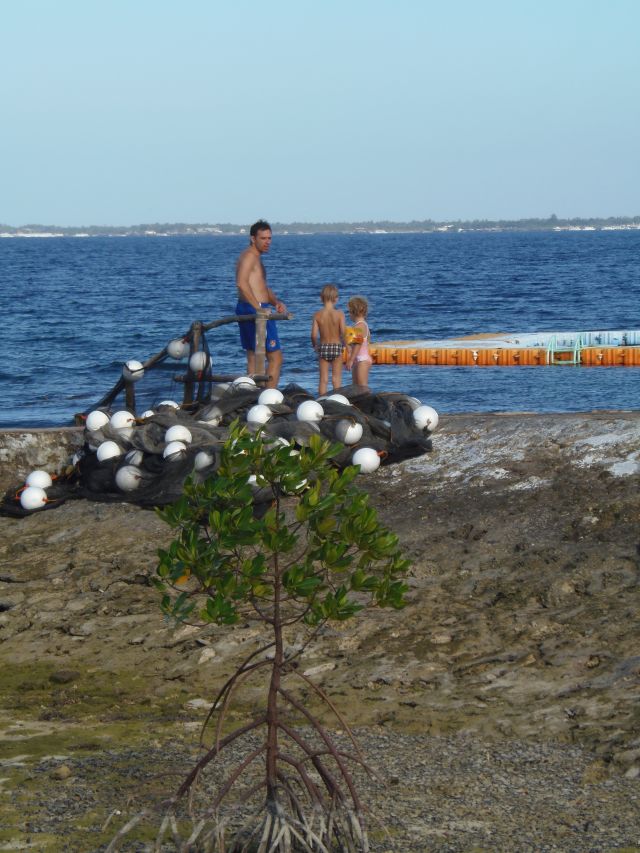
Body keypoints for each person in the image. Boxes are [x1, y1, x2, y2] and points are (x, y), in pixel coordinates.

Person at [235, 219, 287, 388]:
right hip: (254, 308)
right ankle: (269, 395)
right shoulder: (249, 257)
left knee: (253, 355)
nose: (267, 242)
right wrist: (258, 308)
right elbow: (241, 283)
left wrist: (275, 301)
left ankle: (254, 393)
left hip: (251, 306)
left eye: (269, 238)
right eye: (263, 238)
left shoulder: (256, 258)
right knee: (275, 357)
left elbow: (261, 287)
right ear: (253, 239)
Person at [310, 284, 346, 395]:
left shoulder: (317, 315)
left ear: (321, 298)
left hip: (323, 347)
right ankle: (337, 400)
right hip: (336, 346)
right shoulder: (339, 314)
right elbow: (343, 333)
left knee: (323, 379)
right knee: (336, 379)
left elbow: (313, 335)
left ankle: (321, 400)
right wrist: (347, 346)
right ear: (336, 299)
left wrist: (315, 346)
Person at [345, 295, 372, 387]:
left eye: (349, 312)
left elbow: (357, 344)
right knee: (356, 386)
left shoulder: (360, 326)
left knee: (362, 386)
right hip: (358, 359)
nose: (349, 314)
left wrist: (351, 360)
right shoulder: (359, 326)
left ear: (353, 312)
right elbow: (352, 345)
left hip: (362, 360)